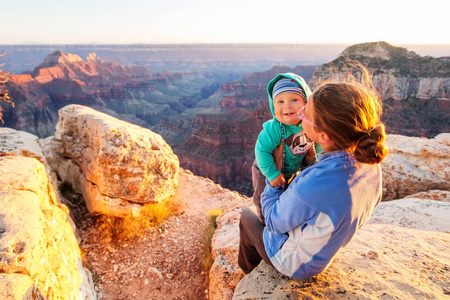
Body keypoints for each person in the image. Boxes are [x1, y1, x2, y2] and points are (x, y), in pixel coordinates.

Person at [239, 66, 388, 279]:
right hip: (325, 251)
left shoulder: (313, 183)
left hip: (295, 263)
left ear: (323, 136)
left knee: (247, 217)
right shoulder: (371, 164)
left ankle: (249, 274)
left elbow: (273, 221)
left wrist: (275, 183)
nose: (299, 114)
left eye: (305, 113)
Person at [252, 73, 321, 224]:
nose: (287, 106)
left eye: (294, 100)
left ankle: (284, 219)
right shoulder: (274, 128)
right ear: (273, 107)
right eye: (280, 101)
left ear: (306, 102)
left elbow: (319, 144)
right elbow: (262, 151)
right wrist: (272, 173)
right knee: (263, 196)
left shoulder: (310, 123)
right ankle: (264, 222)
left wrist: (322, 163)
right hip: (266, 169)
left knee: (287, 196)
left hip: (292, 169)